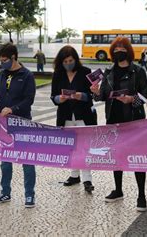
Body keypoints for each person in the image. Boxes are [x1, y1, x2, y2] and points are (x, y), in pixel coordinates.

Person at [91, 36, 147, 211]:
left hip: (134, 120)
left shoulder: (138, 71)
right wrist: (95, 92)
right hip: (114, 119)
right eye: (115, 49)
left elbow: (145, 96)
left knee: (137, 158)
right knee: (116, 156)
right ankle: (118, 189)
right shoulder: (108, 72)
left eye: (122, 49)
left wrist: (132, 99)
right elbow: (101, 96)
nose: (118, 52)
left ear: (128, 51)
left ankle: (141, 195)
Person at [0, 43, 37, 208]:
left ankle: (29, 195)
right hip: (4, 124)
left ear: (14, 57)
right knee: (5, 161)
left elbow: (29, 100)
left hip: (23, 123)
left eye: (5, 60)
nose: (2, 63)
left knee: (27, 160)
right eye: (0, 60)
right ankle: (5, 192)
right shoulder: (0, 75)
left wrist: (13, 109)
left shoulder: (26, 75)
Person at [50, 45, 97, 193]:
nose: (68, 63)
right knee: (71, 147)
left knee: (84, 147)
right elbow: (53, 96)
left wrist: (80, 95)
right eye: (65, 61)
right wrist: (60, 99)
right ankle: (74, 175)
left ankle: (87, 179)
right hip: (66, 116)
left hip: (83, 115)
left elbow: (93, 96)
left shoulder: (86, 72)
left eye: (70, 60)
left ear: (75, 59)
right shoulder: (58, 74)